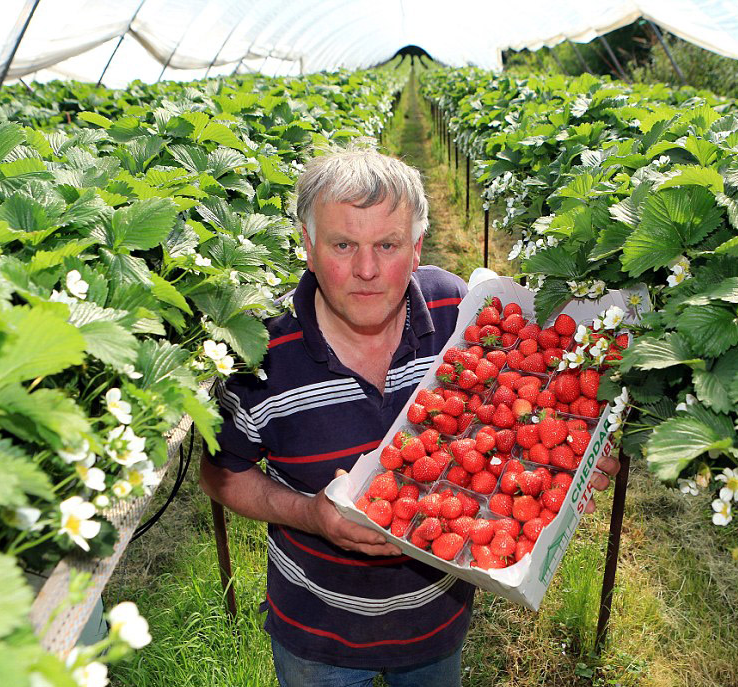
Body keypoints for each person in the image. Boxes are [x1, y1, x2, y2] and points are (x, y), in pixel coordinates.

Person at [200, 146, 619, 687]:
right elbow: (221, 473)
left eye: (388, 244)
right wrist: (309, 514)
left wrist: (576, 462)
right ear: (308, 246)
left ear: (417, 247)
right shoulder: (260, 353)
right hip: (317, 629)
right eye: (343, 244)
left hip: (435, 622)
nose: (367, 269)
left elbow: (515, 420)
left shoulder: (455, 311)